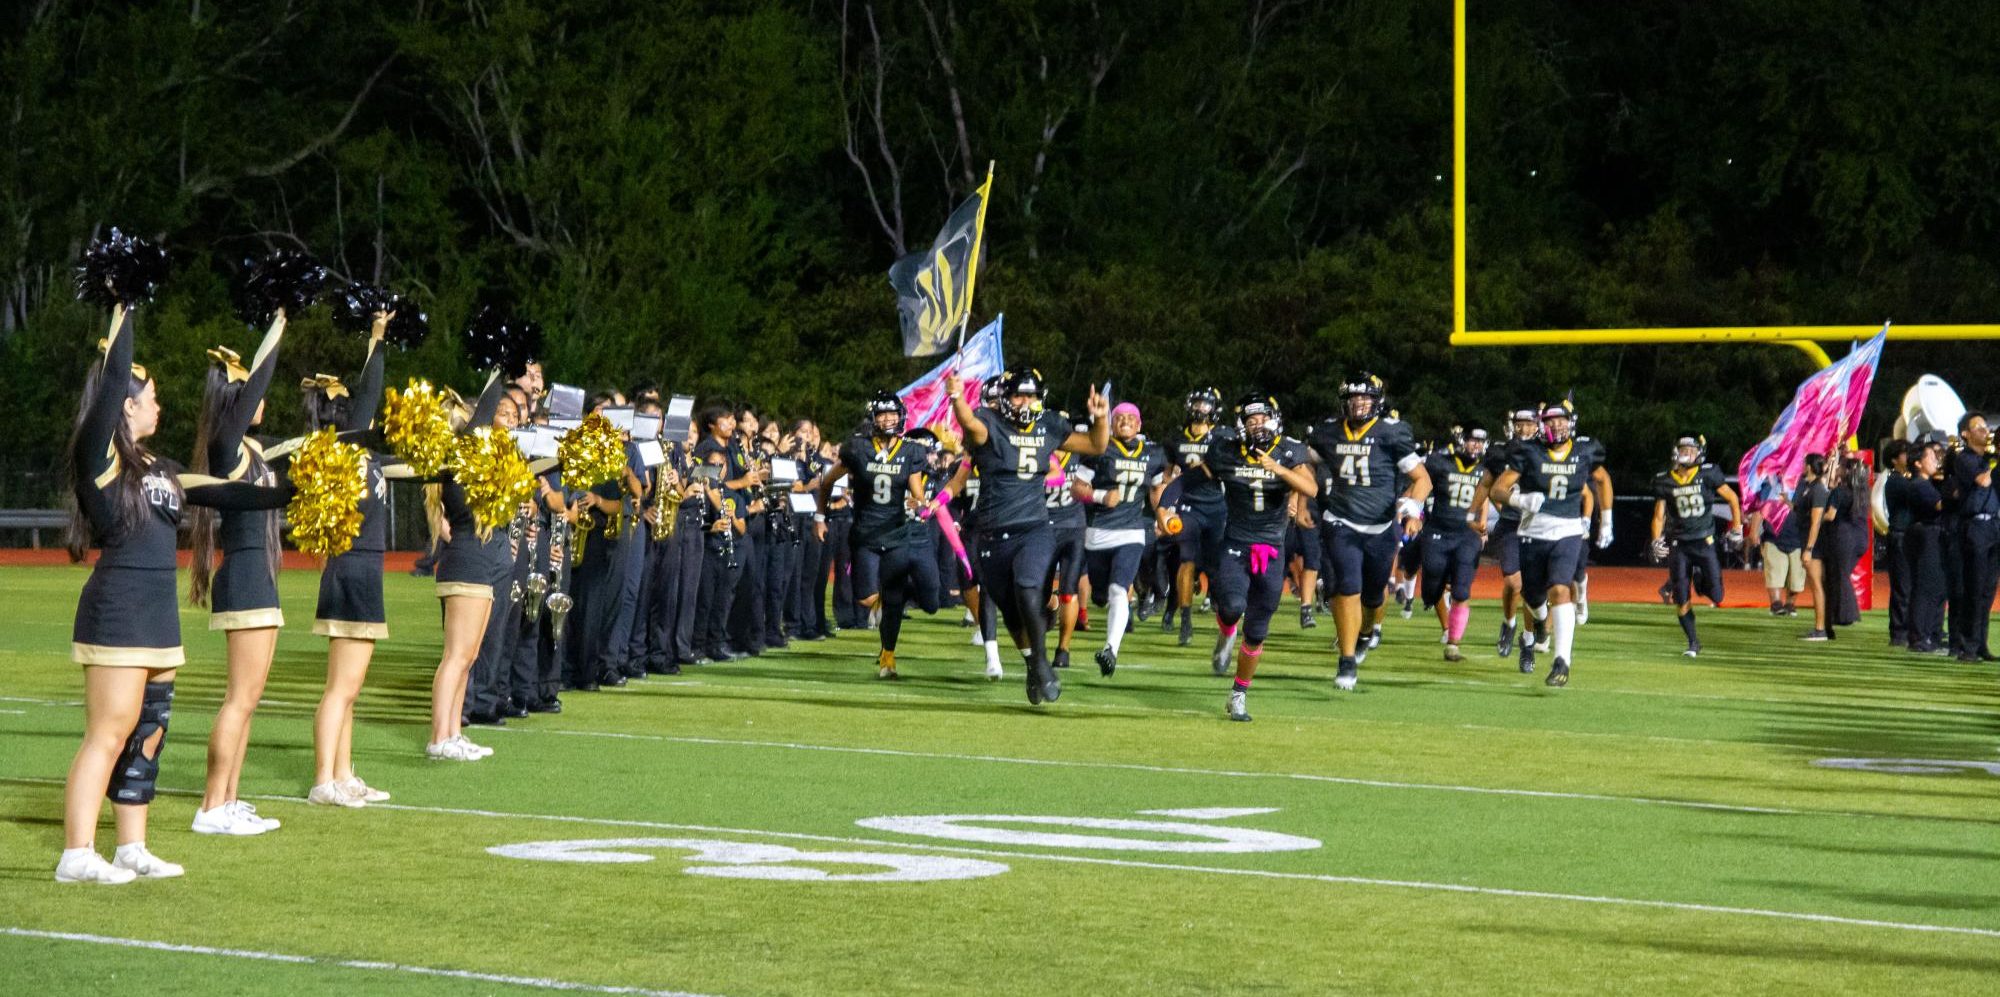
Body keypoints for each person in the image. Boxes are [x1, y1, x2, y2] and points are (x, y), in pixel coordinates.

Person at [58, 304, 290, 884]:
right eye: (151, 397)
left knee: (149, 731)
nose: (159, 406)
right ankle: (77, 852)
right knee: (109, 731)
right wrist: (126, 304)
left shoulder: (160, 466)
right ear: (125, 406)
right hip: (119, 611)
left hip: (159, 617)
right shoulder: (99, 457)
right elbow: (110, 379)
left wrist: (291, 498)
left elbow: (227, 495)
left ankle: (131, 846)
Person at [946, 366, 1109, 705]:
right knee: (1010, 612)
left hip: (1034, 528)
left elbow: (1095, 443)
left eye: (1032, 395)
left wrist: (1101, 418)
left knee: (1028, 588)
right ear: (1005, 398)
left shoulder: (1049, 423)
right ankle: (1032, 664)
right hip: (992, 533)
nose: (1026, 401)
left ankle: (1043, 664)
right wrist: (957, 397)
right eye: (1019, 394)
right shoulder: (989, 422)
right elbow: (969, 424)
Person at [184, 310, 288, 834]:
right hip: (244, 577)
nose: (261, 400)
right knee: (239, 698)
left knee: (251, 700)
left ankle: (229, 799)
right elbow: (254, 389)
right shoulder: (226, 448)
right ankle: (210, 806)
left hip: (259, 578)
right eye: (249, 394)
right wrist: (278, 326)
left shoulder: (253, 449)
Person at [303, 314, 402, 803]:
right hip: (350, 572)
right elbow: (372, 391)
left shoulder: (362, 458)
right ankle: (324, 778)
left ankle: (344, 771)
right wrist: (377, 341)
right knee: (340, 686)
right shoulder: (338, 455)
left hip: (364, 572)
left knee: (351, 686)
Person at [1307, 373, 1427, 692]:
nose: (1359, 403)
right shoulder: (1328, 433)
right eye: (1353, 398)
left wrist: (1413, 509)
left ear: (1376, 401)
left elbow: (1422, 478)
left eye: (1365, 397)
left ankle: (1365, 632)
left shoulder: (1392, 433)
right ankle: (1346, 660)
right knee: (1347, 586)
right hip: (1341, 520)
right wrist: (1298, 495)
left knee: (1374, 595)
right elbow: (1303, 463)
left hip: (1381, 526)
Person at [1203, 394, 1317, 722]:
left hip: (1272, 546)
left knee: (1257, 629)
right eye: (1251, 420)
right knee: (1232, 606)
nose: (1258, 425)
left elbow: (1311, 489)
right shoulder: (1226, 449)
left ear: (1274, 420)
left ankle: (1239, 693)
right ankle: (1226, 633)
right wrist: (1168, 504)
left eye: (1262, 419)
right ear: (1241, 426)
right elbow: (1196, 478)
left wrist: (1276, 467)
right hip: (1236, 542)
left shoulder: (1289, 449)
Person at [426, 372, 518, 760]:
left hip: (474, 563)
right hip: (465, 563)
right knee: (456, 656)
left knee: (468, 655)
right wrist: (501, 366)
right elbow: (483, 415)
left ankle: (453, 731)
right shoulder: (457, 457)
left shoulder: (466, 462)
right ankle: (438, 737)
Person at [817, 392, 935, 679]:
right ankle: (894, 602)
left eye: (892, 413)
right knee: (865, 596)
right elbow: (827, 482)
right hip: (865, 534)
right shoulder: (858, 448)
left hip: (895, 533)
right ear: (873, 418)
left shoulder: (910, 451)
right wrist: (820, 517)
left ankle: (888, 657)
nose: (888, 419)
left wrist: (923, 504)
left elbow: (916, 491)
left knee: (893, 602)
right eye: (882, 414)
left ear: (901, 415)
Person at [1489, 399, 1602, 686]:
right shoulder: (1528, 451)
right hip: (1532, 533)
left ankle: (1562, 661)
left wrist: (1607, 520)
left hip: (1567, 531)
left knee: (1561, 589)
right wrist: (1519, 499)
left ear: (1571, 422)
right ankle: (1539, 623)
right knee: (1533, 597)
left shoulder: (1583, 451)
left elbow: (1603, 480)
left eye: (1561, 419)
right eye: (1550, 420)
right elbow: (1498, 489)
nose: (1556, 425)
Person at [1076, 402, 1168, 676]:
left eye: (1131, 418)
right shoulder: (1100, 448)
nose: (1125, 422)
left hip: (1132, 531)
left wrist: (1162, 514)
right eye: (1119, 418)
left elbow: (1156, 488)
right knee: (1101, 595)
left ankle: (1110, 650)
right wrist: (1102, 496)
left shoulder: (1153, 454)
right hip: (1098, 532)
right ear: (1112, 423)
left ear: (1139, 425)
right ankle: (1106, 618)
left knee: (1120, 590)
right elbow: (1077, 488)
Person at [1647, 435, 1742, 658]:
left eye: (1691, 450)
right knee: (1681, 597)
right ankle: (1693, 642)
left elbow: (1732, 498)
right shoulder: (1665, 480)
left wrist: (1737, 527)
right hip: (1679, 544)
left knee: (1718, 596)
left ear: (1699, 453)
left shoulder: (1708, 474)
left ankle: (1700, 581)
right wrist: (1655, 540)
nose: (1686, 453)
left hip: (1704, 541)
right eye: (1683, 449)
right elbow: (1659, 515)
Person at [1419, 426, 1491, 661]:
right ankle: (1432, 595)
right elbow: (1420, 481)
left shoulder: (1486, 468)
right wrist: (1410, 509)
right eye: (1472, 440)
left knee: (1461, 590)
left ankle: (1453, 643)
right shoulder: (1440, 462)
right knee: (1432, 581)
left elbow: (1488, 495)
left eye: (1480, 441)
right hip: (1438, 530)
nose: (1476, 446)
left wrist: (1483, 522)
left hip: (1467, 535)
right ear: (1462, 441)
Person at [1161, 388, 1226, 646]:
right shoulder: (1175, 439)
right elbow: (1167, 476)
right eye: (1197, 404)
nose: (1200, 409)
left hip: (1218, 507)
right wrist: (1167, 498)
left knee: (1215, 565)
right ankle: (1185, 619)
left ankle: (1224, 613)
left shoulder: (1222, 437)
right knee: (1185, 559)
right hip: (1189, 507)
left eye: (1206, 405)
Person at [1484, 407, 1542, 655]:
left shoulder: (1545, 452)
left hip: (1537, 527)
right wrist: (1498, 506)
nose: (1523, 428)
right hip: (1510, 524)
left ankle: (1528, 639)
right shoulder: (1501, 451)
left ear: (1538, 426)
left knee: (1532, 587)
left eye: (1528, 424)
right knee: (1512, 582)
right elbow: (1488, 485)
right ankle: (1509, 623)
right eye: (1519, 423)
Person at [1948, 413, 1996, 662]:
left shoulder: (1986, 459)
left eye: (1985, 427)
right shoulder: (1965, 459)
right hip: (1974, 527)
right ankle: (1967, 645)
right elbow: (1983, 481)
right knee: (1974, 588)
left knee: (1988, 590)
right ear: (1965, 433)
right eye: (1978, 427)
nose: (1984, 431)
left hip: (1993, 527)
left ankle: (1980, 645)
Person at [1044, 433, 1088, 670]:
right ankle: (1049, 608)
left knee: (1068, 591)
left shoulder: (1081, 456)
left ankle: (1063, 648)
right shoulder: (1038, 453)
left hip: (1073, 528)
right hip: (1042, 527)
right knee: (1038, 587)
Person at [1905, 440, 1950, 653]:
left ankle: (1931, 634)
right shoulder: (1918, 485)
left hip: (1933, 535)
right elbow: (1940, 505)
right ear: (1918, 464)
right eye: (1931, 457)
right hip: (1926, 535)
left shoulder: (1928, 483)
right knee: (1925, 588)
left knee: (1937, 588)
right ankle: (1919, 636)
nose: (1936, 461)